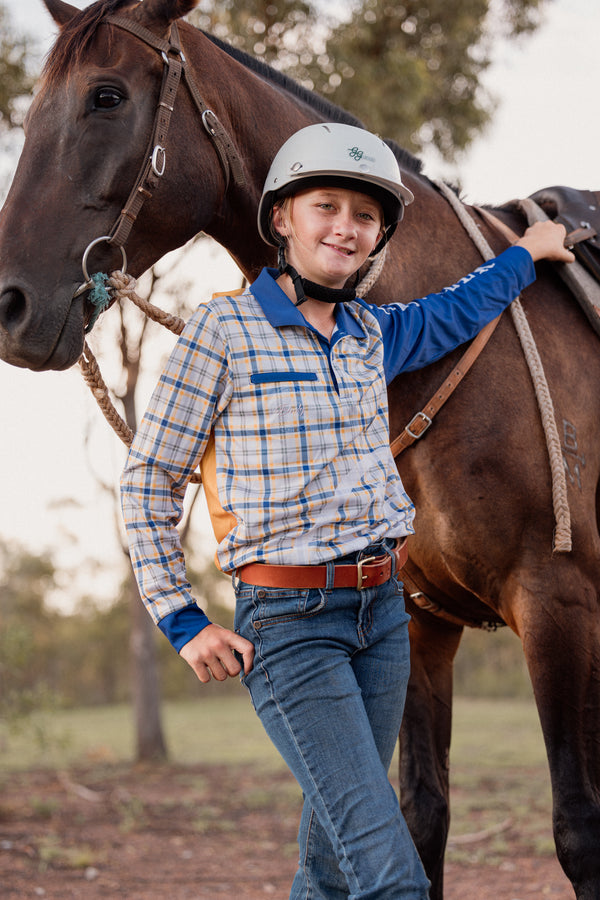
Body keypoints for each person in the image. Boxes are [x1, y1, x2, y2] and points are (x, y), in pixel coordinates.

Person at [120, 122, 573, 899]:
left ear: (378, 237)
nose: (345, 226)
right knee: (389, 873)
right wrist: (182, 620)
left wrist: (525, 256)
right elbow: (148, 480)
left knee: (332, 866)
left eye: (364, 216)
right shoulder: (221, 333)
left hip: (383, 619)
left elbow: (461, 309)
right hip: (291, 629)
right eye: (325, 206)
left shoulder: (371, 334)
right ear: (283, 221)